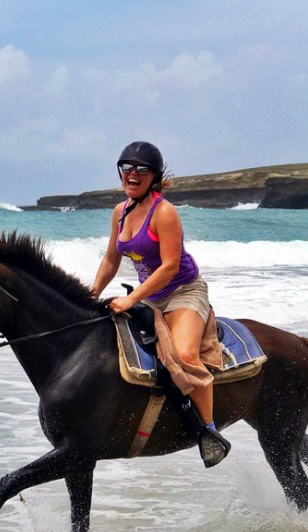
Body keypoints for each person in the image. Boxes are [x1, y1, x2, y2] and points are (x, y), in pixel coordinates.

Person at [89, 141, 230, 467]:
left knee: (182, 355)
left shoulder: (164, 212)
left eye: (141, 169)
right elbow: (111, 258)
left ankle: (208, 432)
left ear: (154, 176)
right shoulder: (120, 211)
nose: (133, 174)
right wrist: (93, 292)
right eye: (127, 168)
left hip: (183, 291)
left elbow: (169, 266)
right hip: (151, 296)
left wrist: (131, 298)